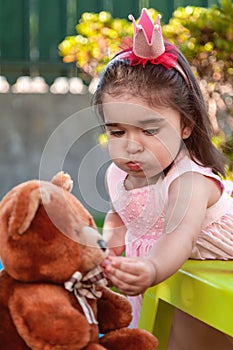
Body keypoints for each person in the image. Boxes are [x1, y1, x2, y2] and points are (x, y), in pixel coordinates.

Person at [93, 8, 233, 349]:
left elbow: (180, 235)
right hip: (169, 270)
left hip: (213, 267)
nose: (131, 146)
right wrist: (108, 256)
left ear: (185, 126)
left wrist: (153, 268)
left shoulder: (189, 181)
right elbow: (119, 215)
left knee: (187, 338)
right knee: (152, 332)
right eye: (117, 131)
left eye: (149, 130)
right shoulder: (118, 174)